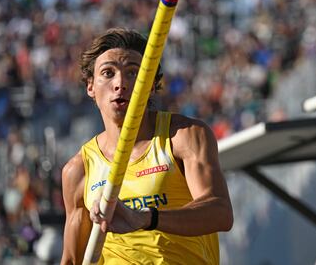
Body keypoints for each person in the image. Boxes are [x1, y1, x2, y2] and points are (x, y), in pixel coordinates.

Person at [60, 27, 233, 265]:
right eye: (108, 73)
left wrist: (144, 218)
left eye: (133, 73)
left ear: (150, 84)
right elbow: (71, 260)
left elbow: (220, 212)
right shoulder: (79, 170)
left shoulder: (183, 136)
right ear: (90, 86)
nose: (120, 83)